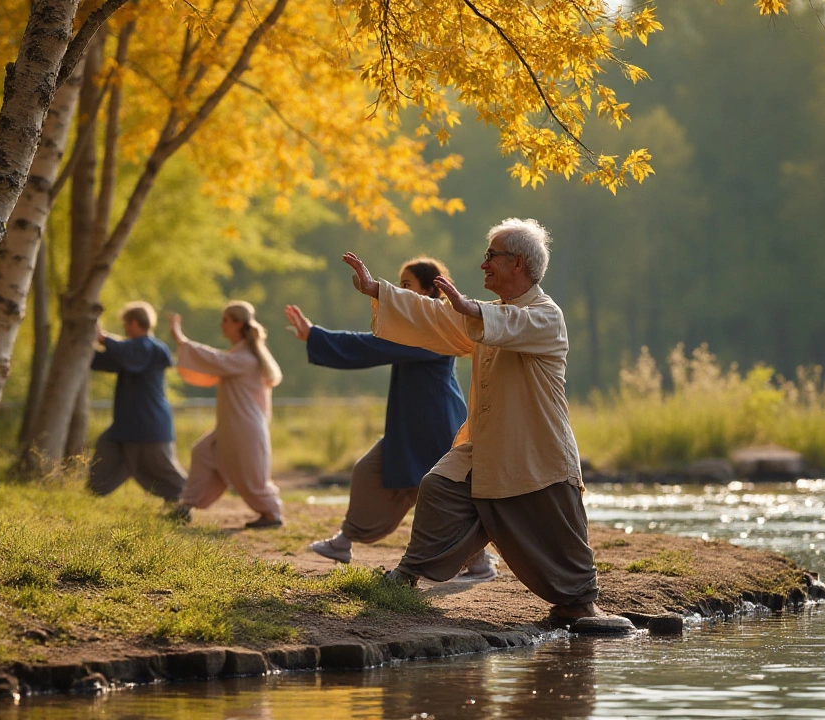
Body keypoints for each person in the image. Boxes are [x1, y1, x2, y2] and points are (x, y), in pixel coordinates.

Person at [341, 218, 631, 629]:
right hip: (486, 448)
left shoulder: (546, 316)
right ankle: (405, 577)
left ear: (518, 264)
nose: (483, 265)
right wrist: (378, 291)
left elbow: (506, 327)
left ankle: (581, 604)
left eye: (491, 256)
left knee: (562, 536)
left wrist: (469, 309)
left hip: (537, 455)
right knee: (438, 487)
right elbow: (436, 318)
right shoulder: (487, 315)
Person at [284, 257, 498, 580]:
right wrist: (315, 337)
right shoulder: (411, 331)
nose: (400, 292)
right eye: (399, 285)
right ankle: (346, 540)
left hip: (436, 425)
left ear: (430, 290)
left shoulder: (433, 333)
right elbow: (373, 345)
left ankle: (478, 560)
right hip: (409, 426)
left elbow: (370, 348)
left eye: (407, 286)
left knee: (441, 496)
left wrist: (317, 337)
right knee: (370, 473)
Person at [169, 301, 285, 529]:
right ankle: (185, 507)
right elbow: (217, 362)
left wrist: (182, 340)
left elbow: (214, 360)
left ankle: (273, 514)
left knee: (252, 478)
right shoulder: (241, 355)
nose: (221, 325)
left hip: (244, 430)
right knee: (202, 452)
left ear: (238, 323)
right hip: (234, 427)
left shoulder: (245, 359)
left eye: (225, 320)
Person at [87, 301, 186, 502]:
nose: (124, 329)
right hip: (126, 426)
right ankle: (91, 496)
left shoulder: (151, 348)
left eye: (125, 324)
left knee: (163, 469)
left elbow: (128, 350)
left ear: (134, 323)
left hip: (150, 424)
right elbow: (105, 359)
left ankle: (185, 502)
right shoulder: (130, 354)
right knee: (106, 452)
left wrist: (103, 338)